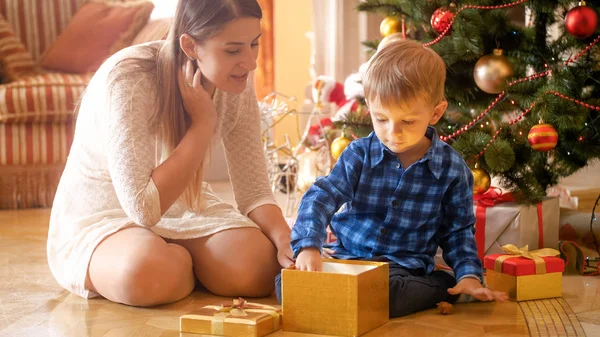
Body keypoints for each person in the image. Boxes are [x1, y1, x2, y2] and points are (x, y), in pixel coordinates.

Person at [47, 0, 294, 307]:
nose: (250, 62)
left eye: (254, 44)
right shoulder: (129, 79)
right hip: (108, 213)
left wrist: (283, 236)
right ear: (190, 45)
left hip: (183, 208)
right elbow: (143, 208)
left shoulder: (237, 81)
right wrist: (202, 125)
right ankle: (177, 263)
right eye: (233, 50)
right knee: (146, 273)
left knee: (258, 267)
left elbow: (254, 191)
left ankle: (179, 264)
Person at [276, 39, 507, 317]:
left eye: (407, 121)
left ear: (435, 112)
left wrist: (468, 275)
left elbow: (458, 231)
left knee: (391, 294)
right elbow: (321, 197)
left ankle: (439, 284)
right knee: (284, 285)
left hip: (402, 268)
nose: (392, 132)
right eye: (381, 118)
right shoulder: (358, 154)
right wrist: (309, 247)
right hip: (349, 258)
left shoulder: (451, 168)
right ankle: (349, 299)